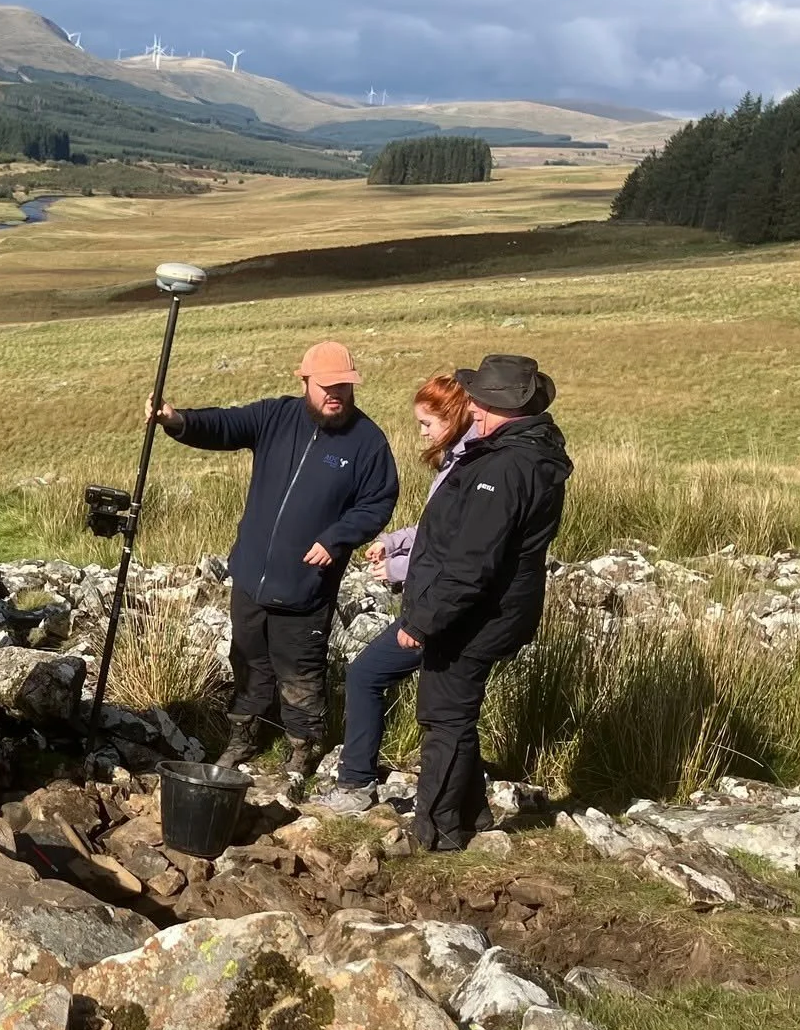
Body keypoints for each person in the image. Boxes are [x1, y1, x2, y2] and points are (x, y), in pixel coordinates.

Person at [156, 340, 398, 773]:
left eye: (343, 385)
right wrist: (178, 420)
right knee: (248, 662)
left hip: (306, 587)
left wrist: (337, 538)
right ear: (304, 382)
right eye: (326, 386)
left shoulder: (368, 443)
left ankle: (300, 753)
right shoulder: (277, 416)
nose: (335, 394)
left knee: (301, 673)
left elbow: (378, 501)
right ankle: (244, 738)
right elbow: (224, 425)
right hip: (251, 576)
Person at [396, 353, 572, 850]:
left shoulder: (508, 466)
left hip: (478, 614)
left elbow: (473, 562)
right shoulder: (526, 453)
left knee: (445, 716)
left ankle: (436, 831)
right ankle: (468, 817)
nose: (471, 408)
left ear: (502, 407)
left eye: (480, 401)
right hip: (495, 608)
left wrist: (425, 619)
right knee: (453, 711)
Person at [321, 373, 475, 813]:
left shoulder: (468, 470)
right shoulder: (459, 462)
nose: (422, 433)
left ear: (455, 416)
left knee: (368, 675)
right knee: (452, 709)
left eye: (427, 423)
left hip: (439, 608)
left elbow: (455, 553)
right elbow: (435, 533)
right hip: (439, 604)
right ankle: (467, 805)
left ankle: (356, 785)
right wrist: (394, 542)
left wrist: (397, 568)